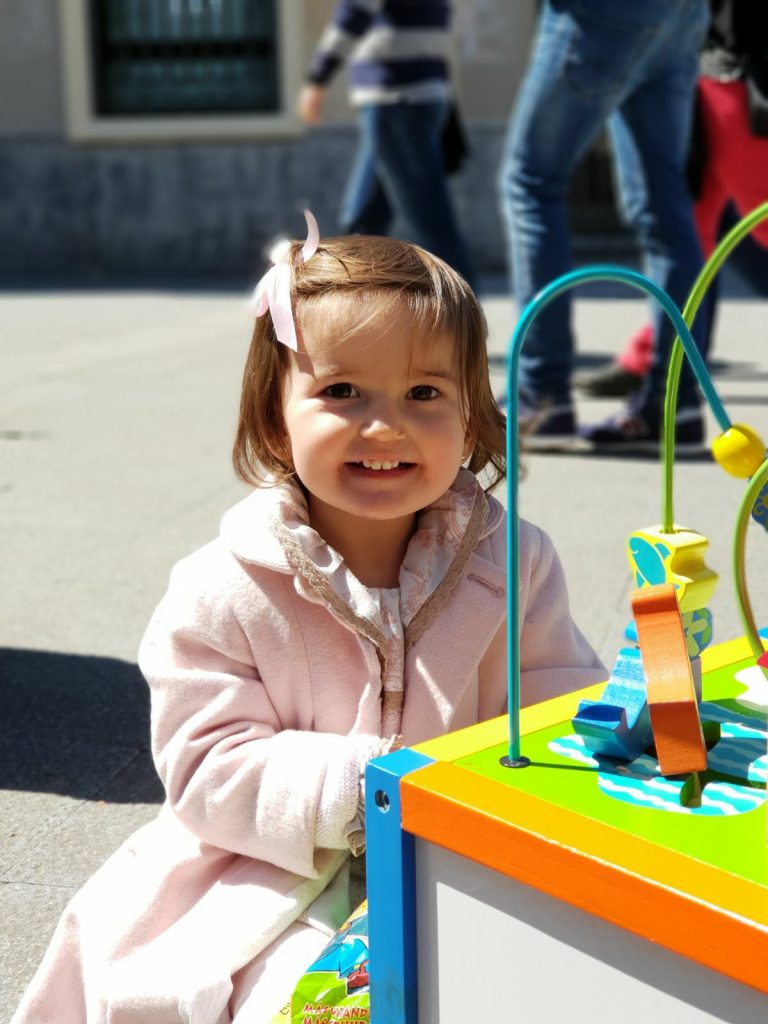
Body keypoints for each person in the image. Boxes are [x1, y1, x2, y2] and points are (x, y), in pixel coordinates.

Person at [11, 217, 605, 1024]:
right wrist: (370, 789)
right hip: (272, 870)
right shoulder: (221, 585)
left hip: (466, 850)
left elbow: (557, 700)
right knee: (289, 998)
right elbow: (207, 767)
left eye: (425, 393)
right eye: (342, 392)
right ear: (273, 419)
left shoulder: (511, 558)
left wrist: (593, 744)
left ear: (471, 419)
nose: (386, 424)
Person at [500, 0, 711, 453]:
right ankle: (674, 406)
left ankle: (542, 396)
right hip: (683, 13)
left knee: (532, 182)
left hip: (600, 14)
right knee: (663, 204)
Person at [577, 0, 768, 403]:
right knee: (690, 235)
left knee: (713, 230)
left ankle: (658, 364)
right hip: (709, 75)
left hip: (743, 79)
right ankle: (654, 359)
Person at [297, 0, 475, 287]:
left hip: (396, 99)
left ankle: (466, 321)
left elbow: (355, 11)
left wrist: (317, 77)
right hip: (414, 97)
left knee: (429, 223)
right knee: (363, 221)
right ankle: (354, 307)